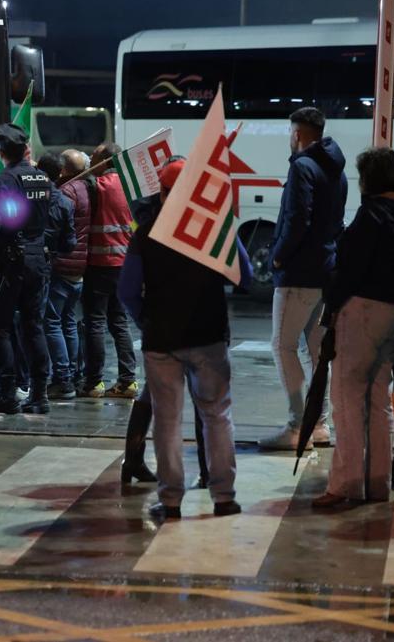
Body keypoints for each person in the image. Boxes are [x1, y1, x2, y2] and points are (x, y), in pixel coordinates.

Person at [118, 160, 250, 520]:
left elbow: (127, 291)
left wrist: (145, 320)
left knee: (166, 419)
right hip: (208, 336)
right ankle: (224, 497)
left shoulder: (146, 233)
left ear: (161, 192)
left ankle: (171, 501)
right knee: (217, 415)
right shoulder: (211, 228)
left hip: (162, 339)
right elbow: (246, 276)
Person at [313, 147, 394, 507]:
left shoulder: (370, 216)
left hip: (361, 313)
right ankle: (377, 482)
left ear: (368, 179)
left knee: (346, 398)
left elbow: (348, 271)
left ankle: (345, 485)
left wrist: (331, 312)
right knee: (377, 399)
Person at [259, 107, 347, 451]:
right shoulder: (335, 170)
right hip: (325, 271)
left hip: (297, 273)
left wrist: (278, 255)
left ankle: (297, 426)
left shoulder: (302, 168)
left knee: (282, 346)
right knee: (314, 350)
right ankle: (318, 425)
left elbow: (297, 219)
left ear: (297, 134)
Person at [0, 123, 53, 415]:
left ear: (0, 151)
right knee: (33, 326)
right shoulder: (43, 178)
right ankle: (39, 395)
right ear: (25, 150)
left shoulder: (5, 181)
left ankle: (8, 394)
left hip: (10, 263)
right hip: (38, 258)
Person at [81, 142, 139, 399]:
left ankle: (94, 383)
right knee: (119, 321)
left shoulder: (95, 187)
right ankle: (128, 381)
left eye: (93, 157)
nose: (90, 162)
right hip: (124, 264)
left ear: (104, 161)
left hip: (98, 264)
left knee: (95, 322)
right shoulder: (130, 186)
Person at [45, 149, 89, 400]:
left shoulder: (65, 193)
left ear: (64, 171)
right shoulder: (84, 188)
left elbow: (59, 233)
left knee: (52, 322)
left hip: (63, 264)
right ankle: (71, 374)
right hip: (79, 267)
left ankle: (62, 379)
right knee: (69, 322)